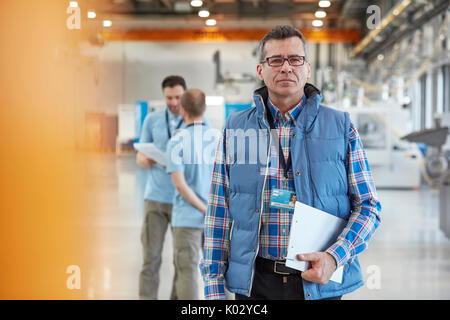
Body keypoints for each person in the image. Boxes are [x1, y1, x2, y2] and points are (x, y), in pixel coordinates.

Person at [200, 25, 382, 300]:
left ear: (307, 68)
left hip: (319, 283)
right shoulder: (236, 129)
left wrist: (334, 258)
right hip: (255, 284)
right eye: (276, 60)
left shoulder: (341, 127)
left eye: (295, 59)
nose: (286, 68)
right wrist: (213, 287)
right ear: (261, 71)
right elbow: (218, 212)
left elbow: (368, 206)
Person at [166, 89, 219, 300]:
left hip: (187, 218)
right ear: (204, 109)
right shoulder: (218, 138)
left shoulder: (176, 141)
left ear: (183, 110)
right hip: (215, 218)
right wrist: (211, 210)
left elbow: (180, 185)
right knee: (215, 272)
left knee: (186, 270)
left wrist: (202, 208)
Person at [137, 75, 186, 300]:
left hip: (183, 201)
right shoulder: (152, 120)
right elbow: (140, 155)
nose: (174, 102)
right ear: (163, 96)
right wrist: (144, 160)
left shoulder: (195, 121)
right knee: (150, 259)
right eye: (169, 98)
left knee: (181, 261)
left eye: (178, 97)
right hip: (155, 199)